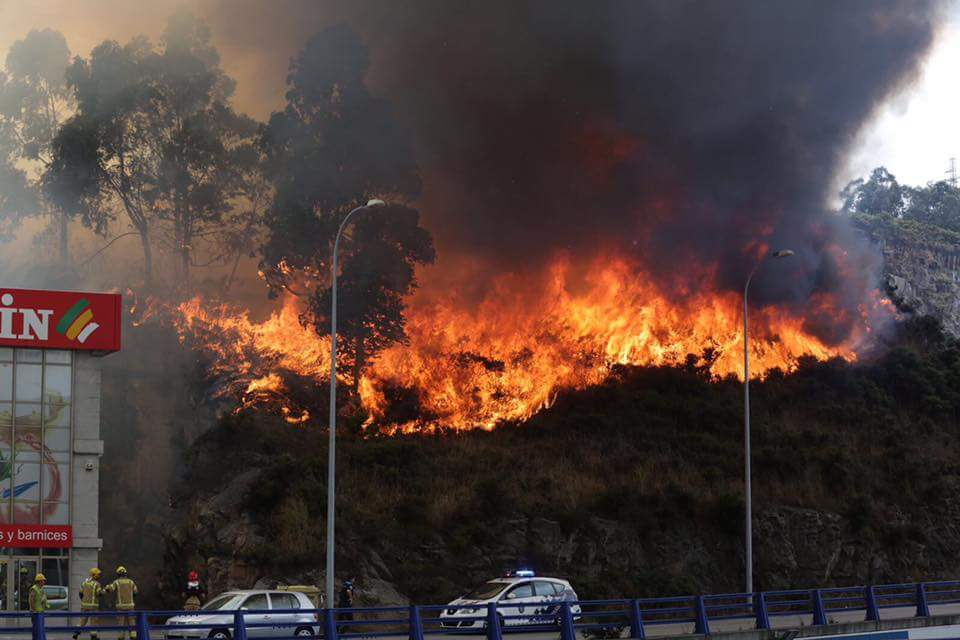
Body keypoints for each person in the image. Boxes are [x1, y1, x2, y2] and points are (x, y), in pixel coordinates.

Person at [104, 566, 137, 640]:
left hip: (120, 607)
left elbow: (110, 589)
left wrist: (107, 587)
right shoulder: (131, 582)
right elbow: (135, 592)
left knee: (120, 624)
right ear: (125, 573)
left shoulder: (117, 582)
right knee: (132, 622)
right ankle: (133, 637)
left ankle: (121, 638)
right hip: (130, 607)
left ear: (118, 574)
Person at [75, 568, 104, 640]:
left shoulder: (84, 583)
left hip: (84, 605)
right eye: (98, 574)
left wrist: (83, 601)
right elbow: (99, 593)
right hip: (93, 606)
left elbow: (80, 593)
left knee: (83, 620)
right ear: (94, 575)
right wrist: (105, 591)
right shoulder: (97, 584)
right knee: (94, 621)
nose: (99, 576)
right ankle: (93, 636)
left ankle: (76, 632)